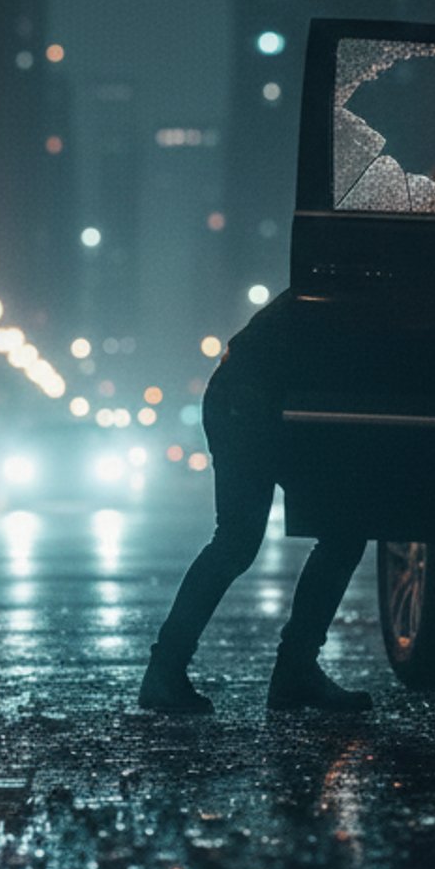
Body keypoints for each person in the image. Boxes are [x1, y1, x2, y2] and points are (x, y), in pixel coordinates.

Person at [139, 290, 371, 715]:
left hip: (247, 399)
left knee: (244, 541)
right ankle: (290, 672)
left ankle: (168, 671)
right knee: (313, 535)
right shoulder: (359, 284)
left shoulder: (337, 274)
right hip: (252, 403)